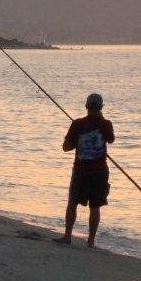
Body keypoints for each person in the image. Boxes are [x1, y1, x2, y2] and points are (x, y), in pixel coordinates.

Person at [55, 93, 115, 247]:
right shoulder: (106, 124)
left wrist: (79, 141)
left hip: (80, 170)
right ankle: (91, 240)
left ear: (86, 106)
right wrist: (100, 120)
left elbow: (65, 148)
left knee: (72, 202)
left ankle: (68, 236)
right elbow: (111, 139)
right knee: (95, 206)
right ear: (101, 107)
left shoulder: (77, 124)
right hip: (100, 171)